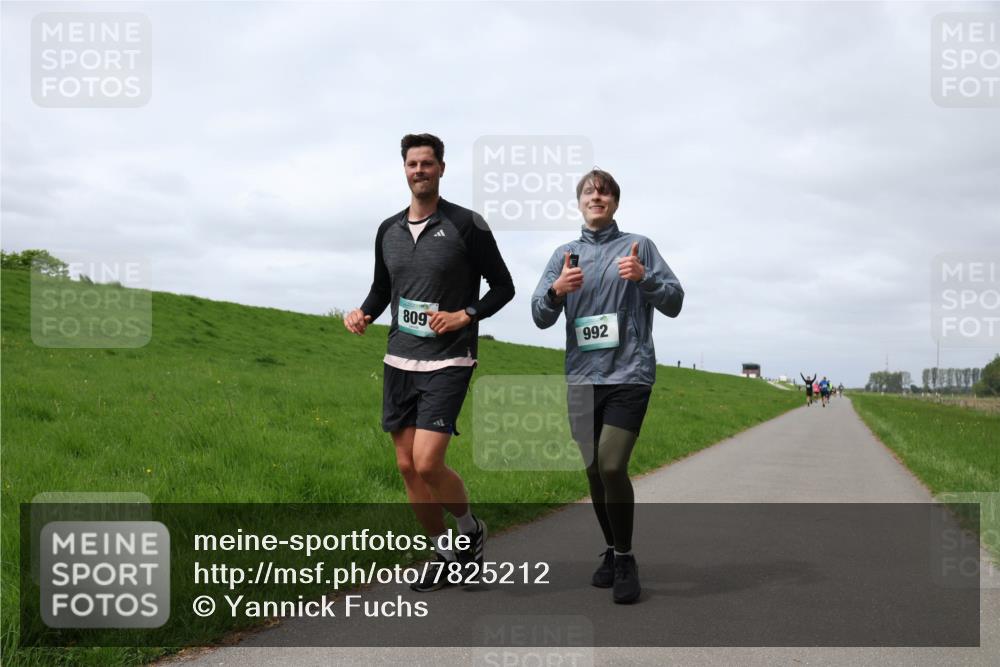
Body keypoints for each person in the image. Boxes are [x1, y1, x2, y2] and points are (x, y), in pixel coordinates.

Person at [344, 133, 515, 592]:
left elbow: (503, 286)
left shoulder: (467, 225)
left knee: (426, 462)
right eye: (411, 164)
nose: (418, 170)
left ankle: (470, 531)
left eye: (427, 163)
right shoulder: (388, 230)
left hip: (449, 359)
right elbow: (383, 290)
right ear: (404, 170)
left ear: (442, 168)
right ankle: (443, 552)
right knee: (405, 466)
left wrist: (466, 314)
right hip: (399, 358)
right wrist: (363, 312)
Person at [531, 168, 684, 604]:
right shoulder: (565, 254)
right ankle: (614, 549)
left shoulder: (639, 248)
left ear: (615, 202)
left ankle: (626, 557)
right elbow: (539, 315)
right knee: (593, 472)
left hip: (628, 374)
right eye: (588, 192)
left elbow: (675, 302)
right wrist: (557, 291)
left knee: (612, 465)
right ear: (579, 202)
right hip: (581, 377)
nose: (596, 198)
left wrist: (644, 277)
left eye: (604, 193)